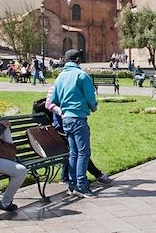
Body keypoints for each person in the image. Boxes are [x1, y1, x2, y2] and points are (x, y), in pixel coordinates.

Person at [50, 49, 99, 198]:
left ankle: (72, 185)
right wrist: (93, 107)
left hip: (66, 119)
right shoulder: (82, 76)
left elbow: (54, 100)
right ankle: (81, 185)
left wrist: (64, 110)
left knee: (73, 153)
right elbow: (90, 97)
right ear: (78, 60)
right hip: (78, 117)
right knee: (84, 152)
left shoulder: (60, 77)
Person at [44, 85, 111, 184]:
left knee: (74, 150)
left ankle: (65, 178)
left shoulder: (71, 86)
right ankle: (96, 175)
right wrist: (61, 112)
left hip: (68, 123)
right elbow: (49, 104)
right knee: (80, 151)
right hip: (61, 126)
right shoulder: (56, 86)